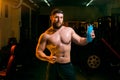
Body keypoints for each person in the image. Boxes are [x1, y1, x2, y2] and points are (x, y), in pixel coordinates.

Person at [36, 8, 95, 80]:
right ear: (51, 18)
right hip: (53, 66)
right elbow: (38, 51)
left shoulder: (69, 30)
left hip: (67, 65)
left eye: (61, 17)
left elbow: (80, 40)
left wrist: (88, 39)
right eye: (56, 17)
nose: (59, 20)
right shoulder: (45, 35)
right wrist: (47, 58)